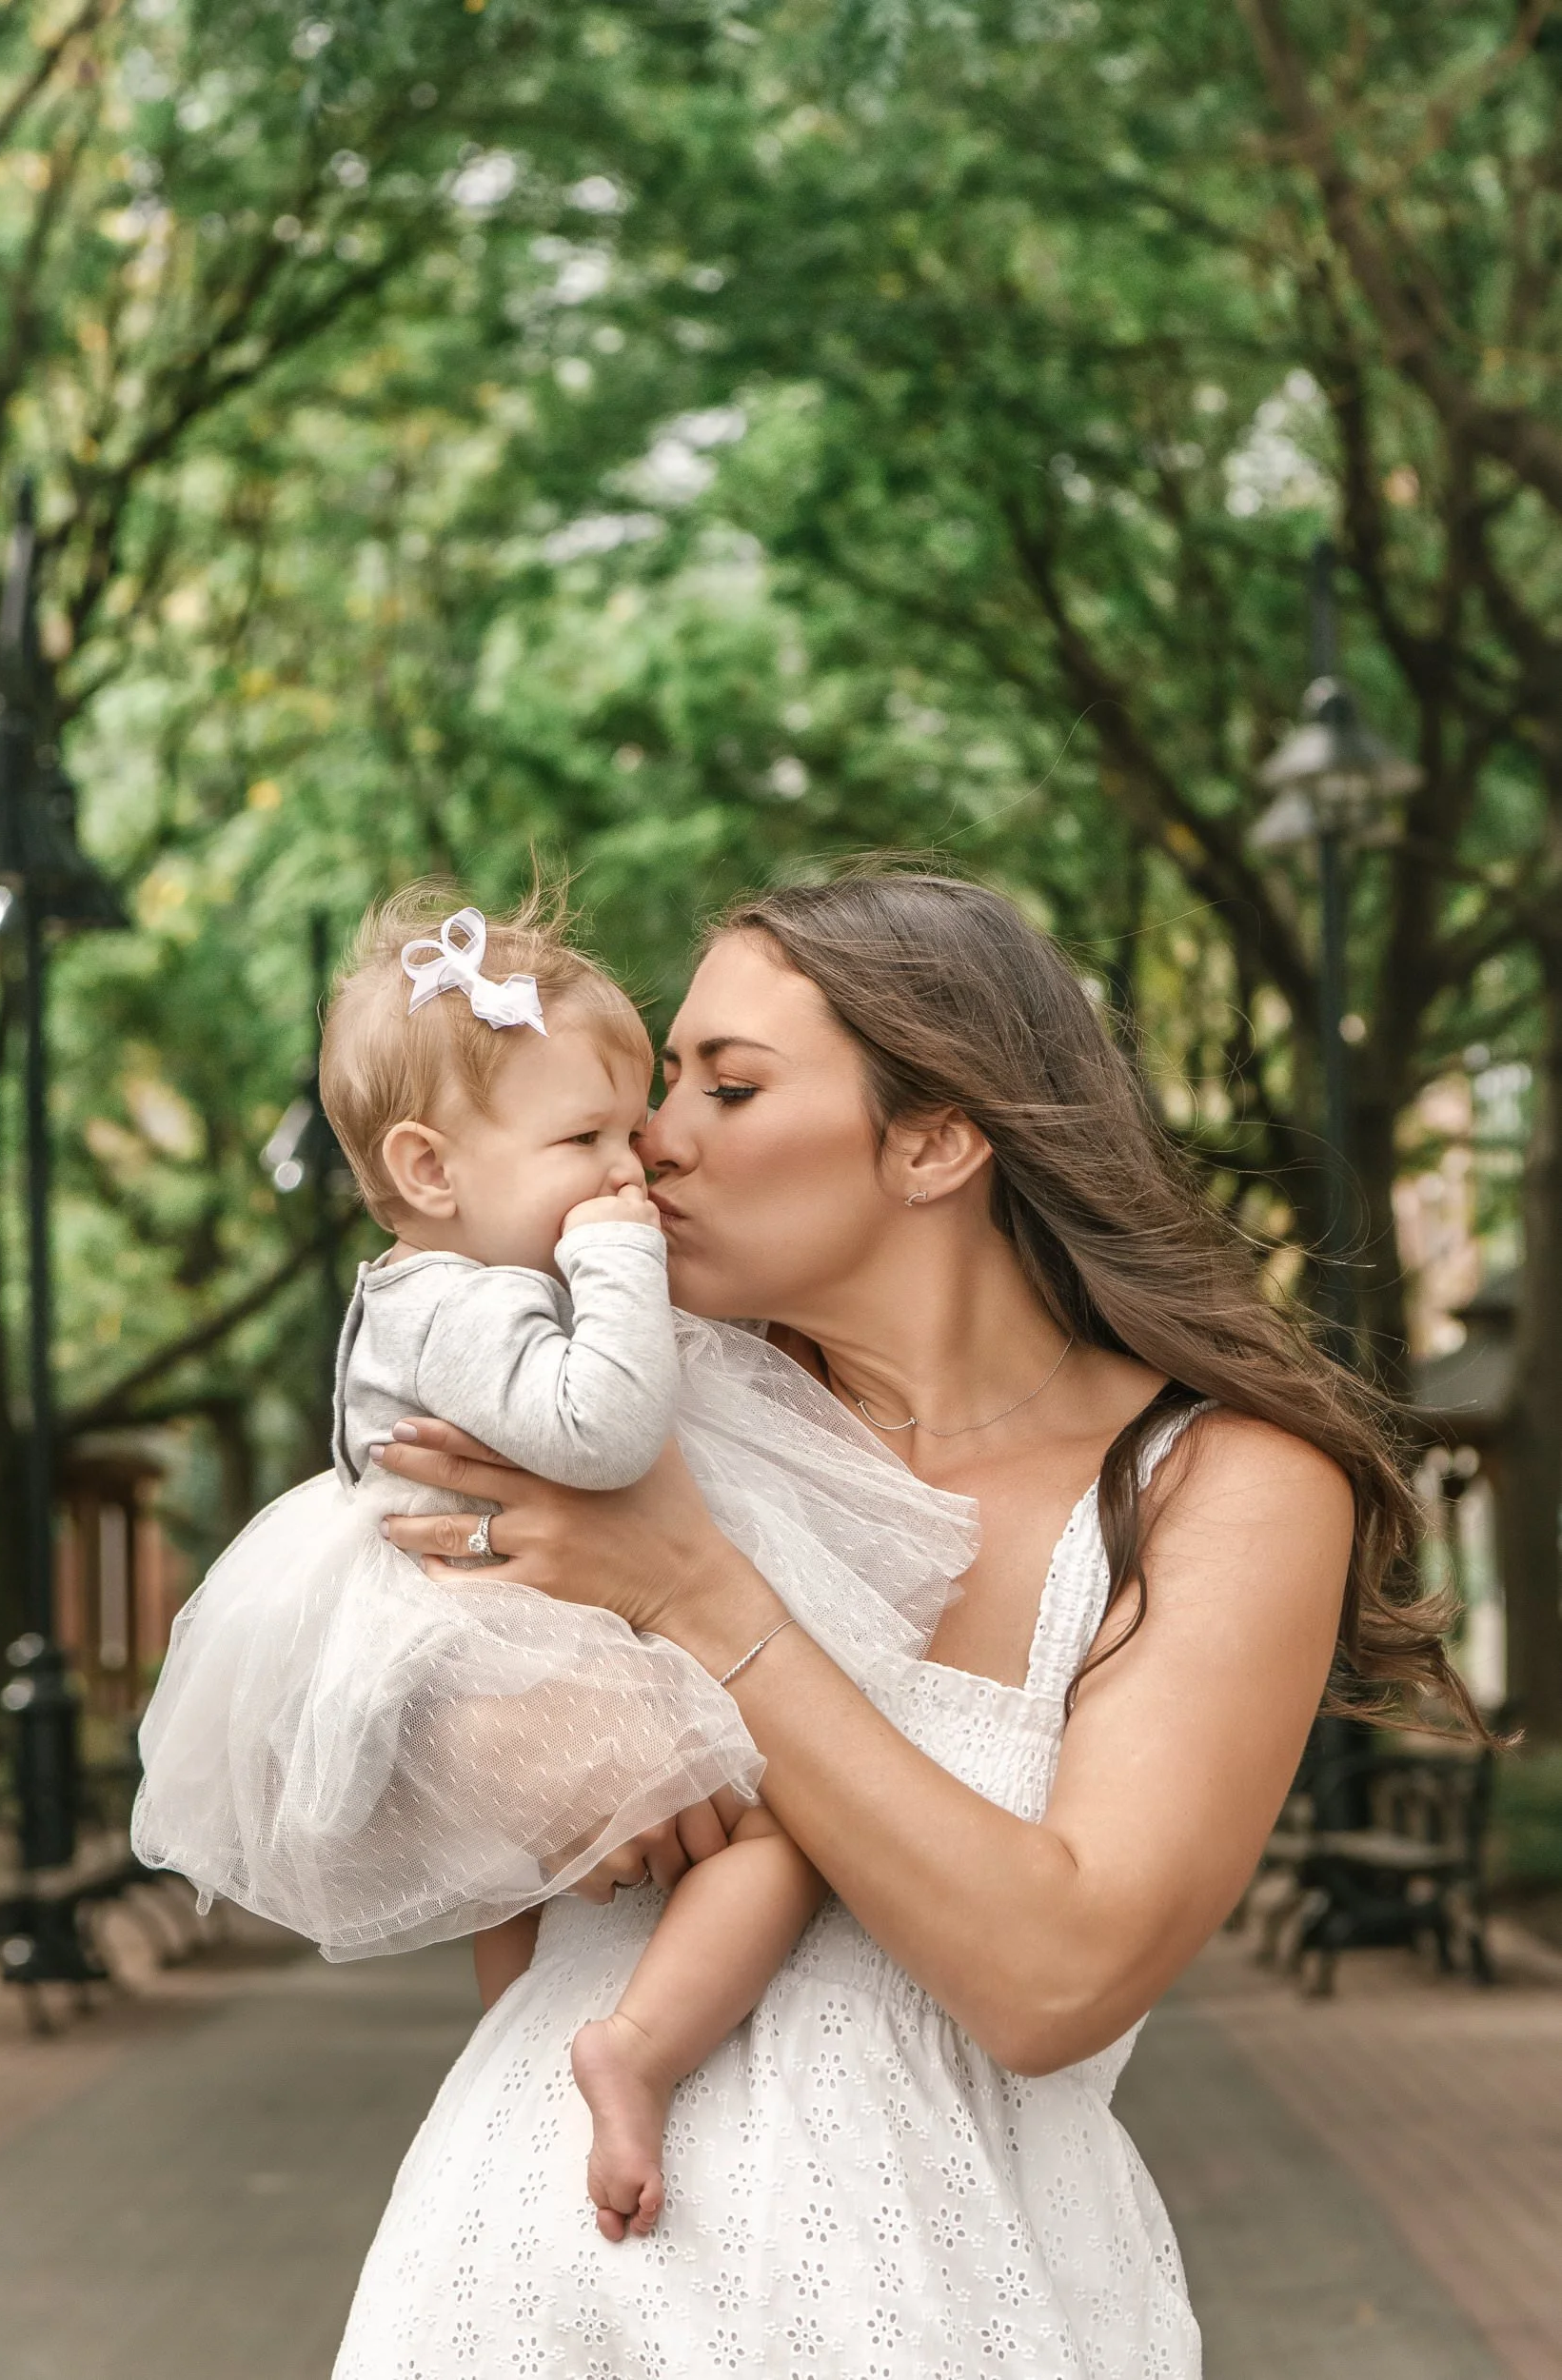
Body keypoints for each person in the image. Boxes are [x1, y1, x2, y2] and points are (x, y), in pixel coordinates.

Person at [335, 867, 1479, 2377]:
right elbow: (486, 1865)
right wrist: (495, 1752)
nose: (653, 1139)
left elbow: (1052, 1979)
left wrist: (694, 1594)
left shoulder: (1225, 1488)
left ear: (935, 1138)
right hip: (537, 2271)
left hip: (950, 2297)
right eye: (664, 1078)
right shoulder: (621, 1413)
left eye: (728, 1088)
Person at [133, 885, 973, 2245]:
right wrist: (624, 1259)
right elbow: (602, 1429)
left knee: (537, 1875)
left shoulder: (449, 1290)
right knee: (773, 1835)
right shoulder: (470, 1301)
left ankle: (531, 2050)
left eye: (625, 1134)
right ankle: (628, 2048)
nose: (632, 1170)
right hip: (502, 1631)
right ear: (429, 1171)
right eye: (587, 1139)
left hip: (501, 1619)